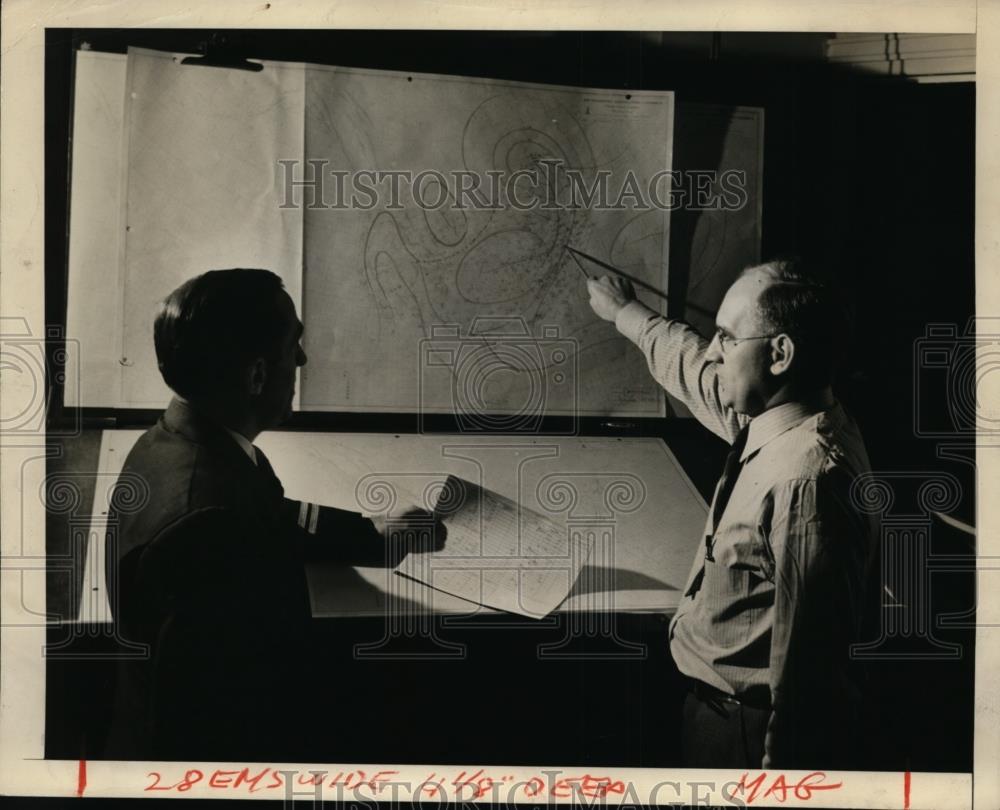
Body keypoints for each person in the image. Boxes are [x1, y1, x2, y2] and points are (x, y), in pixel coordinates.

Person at [104, 268, 436, 761]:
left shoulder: (184, 440)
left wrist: (371, 537)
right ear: (257, 375)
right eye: (292, 347)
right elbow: (241, 709)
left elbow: (270, 517)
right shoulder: (209, 520)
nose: (301, 360)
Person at [587, 259, 877, 770]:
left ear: (780, 354)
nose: (714, 349)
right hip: (716, 714)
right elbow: (697, 369)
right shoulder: (776, 417)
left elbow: (809, 680)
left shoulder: (807, 481)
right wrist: (626, 312)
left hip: (747, 737)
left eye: (726, 336)